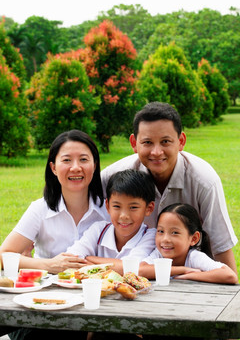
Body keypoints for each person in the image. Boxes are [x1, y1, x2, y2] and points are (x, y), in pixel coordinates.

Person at [101, 102, 238, 275]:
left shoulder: (204, 181)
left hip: (194, 274)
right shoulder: (113, 176)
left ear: (181, 142)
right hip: (137, 272)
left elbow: (220, 245)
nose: (156, 152)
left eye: (165, 141)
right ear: (134, 143)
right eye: (147, 142)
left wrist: (233, 294)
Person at [0, 129, 110, 275]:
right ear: (53, 168)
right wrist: (50, 265)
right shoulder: (40, 209)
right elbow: (4, 255)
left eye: (83, 159)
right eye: (66, 160)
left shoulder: (109, 210)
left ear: (94, 166)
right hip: (47, 291)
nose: (76, 167)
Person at [66, 169, 156, 274]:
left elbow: (131, 269)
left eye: (133, 207)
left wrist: (89, 259)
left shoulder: (150, 236)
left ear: (148, 208)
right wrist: (118, 266)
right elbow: (71, 258)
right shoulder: (99, 229)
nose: (124, 216)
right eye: (117, 206)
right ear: (108, 206)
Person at [139, 203, 238, 284]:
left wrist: (189, 276)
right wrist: (183, 270)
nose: (165, 239)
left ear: (194, 238)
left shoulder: (194, 257)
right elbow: (140, 270)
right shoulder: (158, 254)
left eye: (175, 233)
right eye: (161, 231)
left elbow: (230, 275)